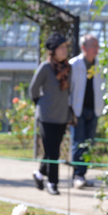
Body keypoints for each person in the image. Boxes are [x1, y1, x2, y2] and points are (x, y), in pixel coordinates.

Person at [30, 33, 73, 196]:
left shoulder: (68, 68)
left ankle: (39, 174)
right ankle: (53, 183)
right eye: (61, 47)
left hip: (61, 117)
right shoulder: (45, 67)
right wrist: (41, 104)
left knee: (50, 152)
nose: (64, 50)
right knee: (54, 152)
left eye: (65, 47)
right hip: (46, 117)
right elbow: (33, 89)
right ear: (53, 50)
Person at [69, 34, 105, 189]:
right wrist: (69, 112)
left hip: (94, 109)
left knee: (88, 144)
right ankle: (77, 176)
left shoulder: (100, 65)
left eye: (97, 46)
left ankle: (82, 175)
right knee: (78, 143)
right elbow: (69, 90)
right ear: (84, 48)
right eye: (93, 46)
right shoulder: (74, 64)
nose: (96, 49)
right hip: (78, 111)